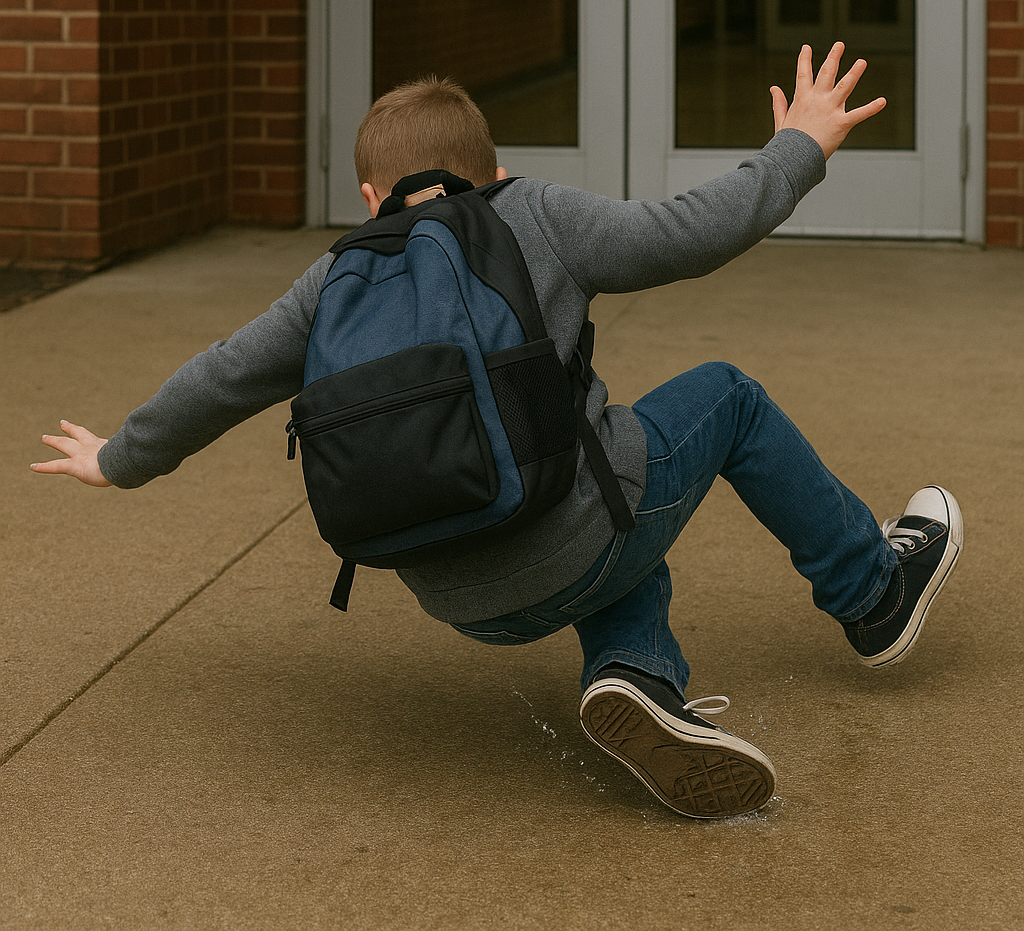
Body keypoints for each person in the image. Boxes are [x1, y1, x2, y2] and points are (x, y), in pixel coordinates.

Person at [32, 44, 962, 821]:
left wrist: (121, 457)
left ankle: (638, 677)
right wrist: (797, 148)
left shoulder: (334, 280)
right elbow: (687, 235)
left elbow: (222, 374)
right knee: (717, 403)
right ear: (496, 168)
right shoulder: (529, 212)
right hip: (576, 535)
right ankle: (873, 592)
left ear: (369, 196)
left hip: (451, 592)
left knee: (609, 472)